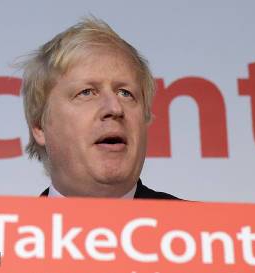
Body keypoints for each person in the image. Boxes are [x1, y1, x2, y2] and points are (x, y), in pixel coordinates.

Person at [20, 16, 179, 200]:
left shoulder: (203, 227)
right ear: (40, 126)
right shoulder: (3, 228)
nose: (115, 108)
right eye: (86, 92)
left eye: (125, 93)